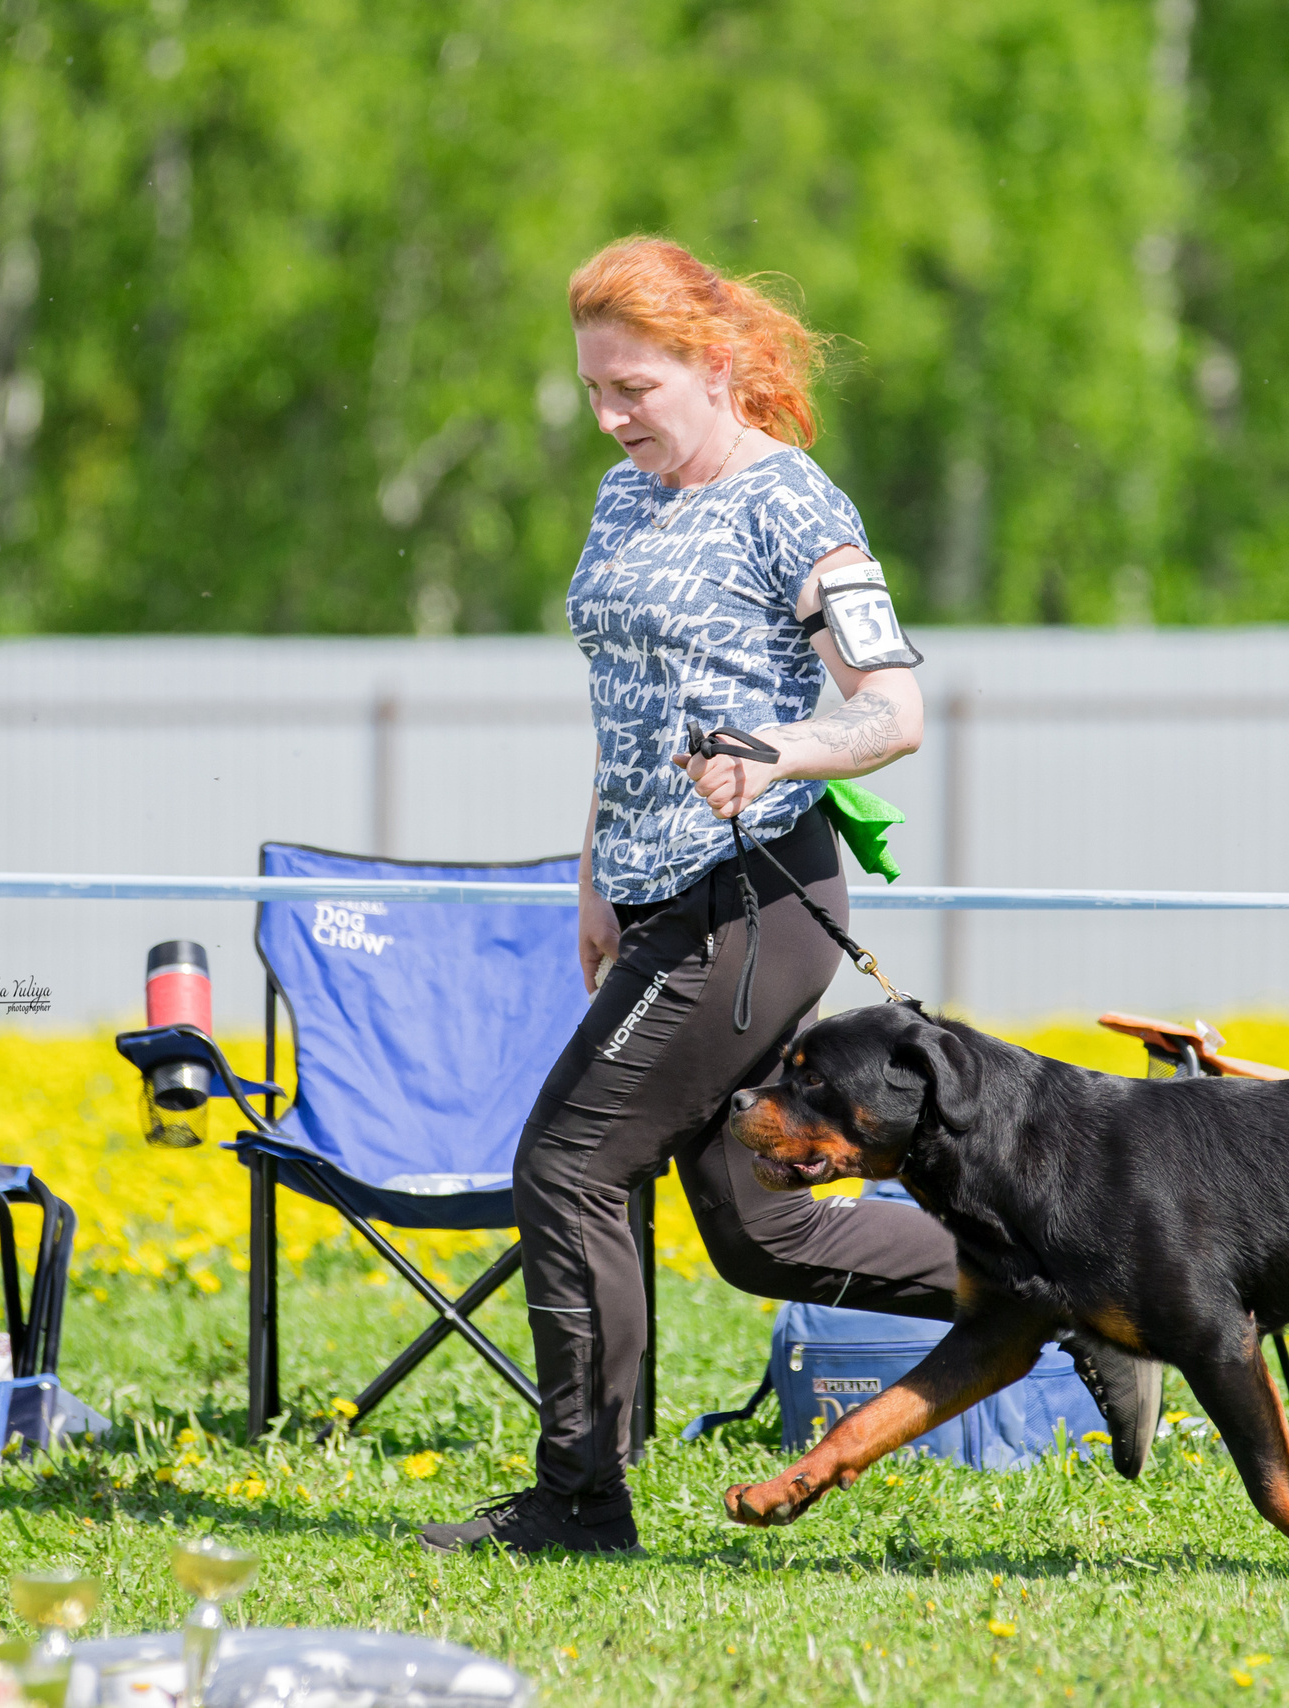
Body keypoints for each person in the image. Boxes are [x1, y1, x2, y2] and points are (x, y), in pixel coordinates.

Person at [420, 237, 1158, 1556]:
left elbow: (893, 713)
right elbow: (622, 707)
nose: (610, 416)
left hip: (753, 899)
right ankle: (1083, 1293)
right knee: (759, 1230)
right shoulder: (618, 497)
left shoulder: (795, 508)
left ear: (713, 365)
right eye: (594, 389)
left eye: (632, 388)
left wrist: (783, 750)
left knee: (570, 1163)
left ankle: (580, 1501)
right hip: (650, 895)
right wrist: (594, 868)